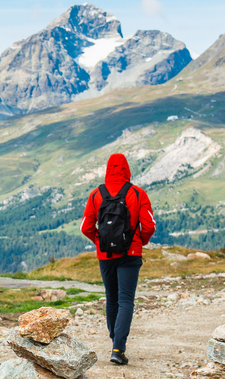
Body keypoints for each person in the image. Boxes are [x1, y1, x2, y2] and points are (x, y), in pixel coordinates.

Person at [80, 153, 156, 365]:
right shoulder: (138, 193)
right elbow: (149, 225)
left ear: (108, 169)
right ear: (126, 169)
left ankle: (115, 343)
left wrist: (100, 241)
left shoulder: (96, 194)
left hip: (105, 255)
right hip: (129, 255)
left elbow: (85, 227)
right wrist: (139, 241)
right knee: (125, 300)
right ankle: (118, 349)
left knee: (112, 298)